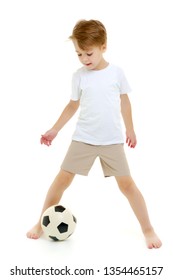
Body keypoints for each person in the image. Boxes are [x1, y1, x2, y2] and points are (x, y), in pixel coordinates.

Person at [27, 19, 162, 249]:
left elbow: (125, 101)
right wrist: (54, 130)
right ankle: (41, 223)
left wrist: (130, 129)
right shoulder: (79, 76)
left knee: (127, 185)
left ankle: (148, 229)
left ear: (103, 47)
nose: (84, 59)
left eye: (88, 53)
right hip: (83, 139)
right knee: (62, 179)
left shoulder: (117, 73)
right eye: (79, 54)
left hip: (111, 141)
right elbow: (72, 105)